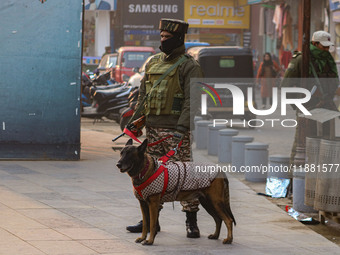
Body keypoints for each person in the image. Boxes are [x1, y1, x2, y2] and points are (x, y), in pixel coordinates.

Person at [126, 18, 204, 238]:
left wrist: (182, 128)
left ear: (179, 39)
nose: (163, 40)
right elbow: (144, 95)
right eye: (161, 36)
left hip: (176, 133)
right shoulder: (153, 63)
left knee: (185, 177)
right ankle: (151, 222)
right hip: (152, 132)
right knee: (149, 177)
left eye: (167, 37)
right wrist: (136, 120)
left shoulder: (190, 66)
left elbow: (193, 100)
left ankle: (191, 221)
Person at [281, 31, 339, 163]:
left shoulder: (328, 60)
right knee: (302, 146)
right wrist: (299, 105)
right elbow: (286, 86)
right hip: (308, 109)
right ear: (314, 43)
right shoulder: (302, 59)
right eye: (323, 46)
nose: (326, 49)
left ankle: (322, 180)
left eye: (328, 47)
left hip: (326, 109)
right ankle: (294, 179)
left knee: (326, 146)